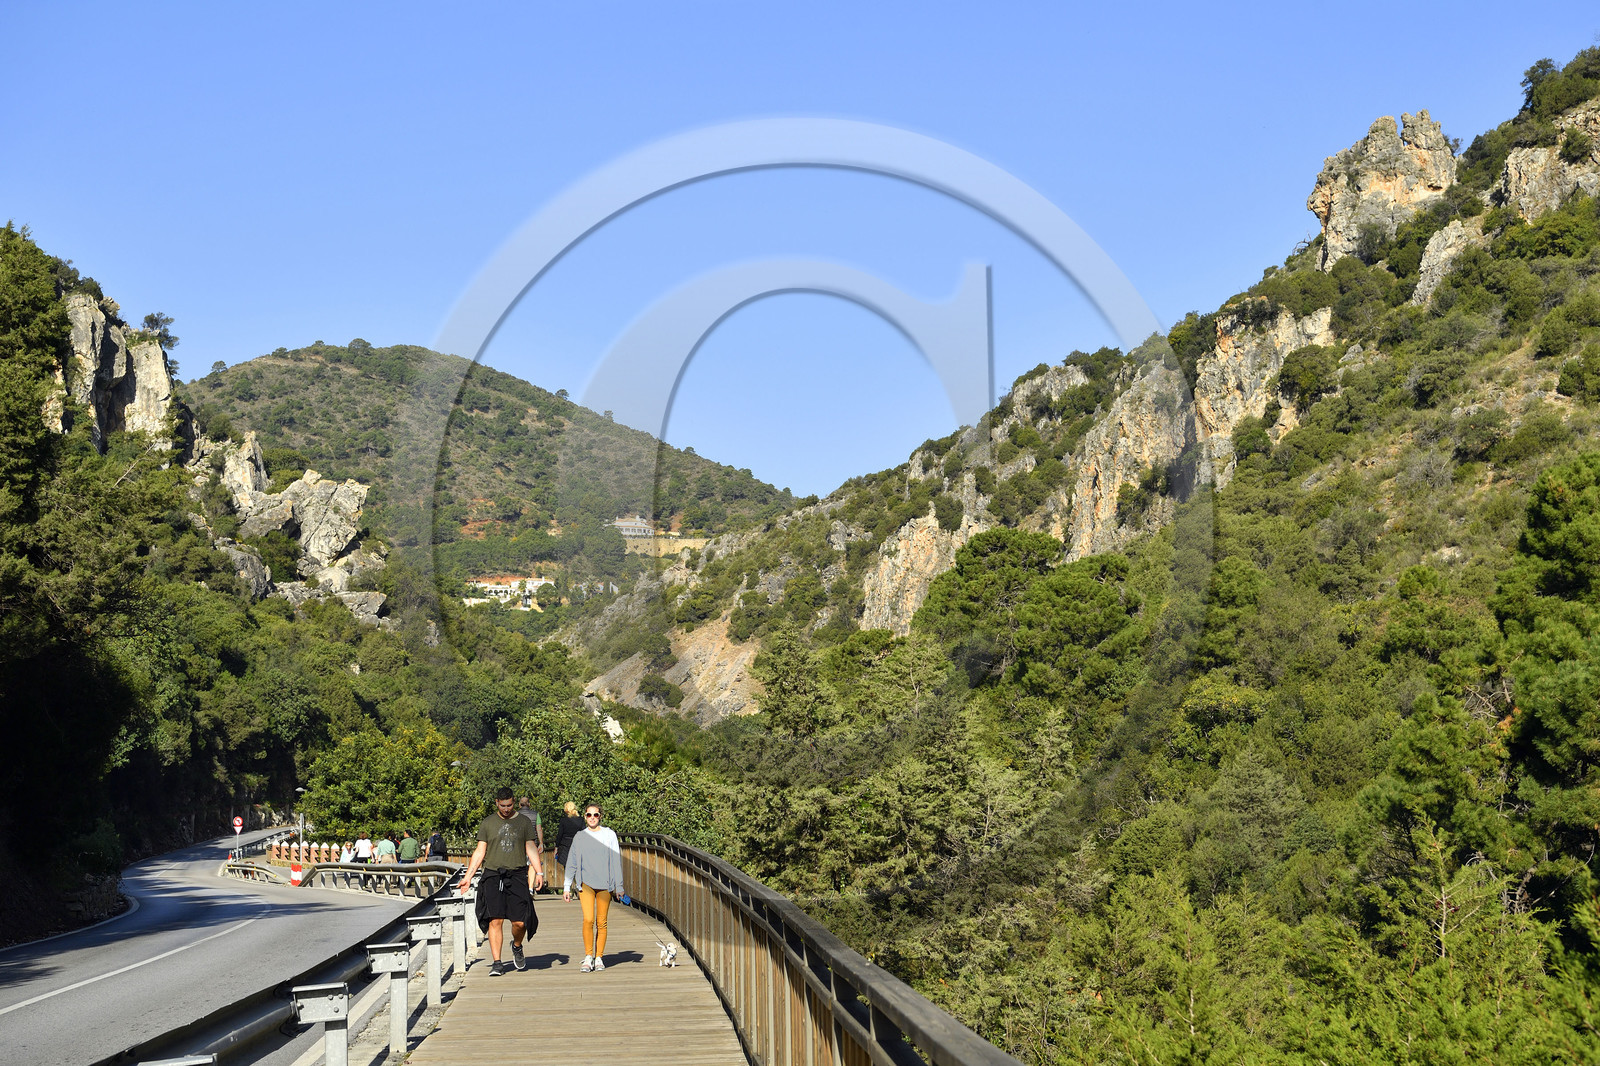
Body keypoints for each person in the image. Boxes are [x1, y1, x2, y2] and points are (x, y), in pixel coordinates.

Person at [460, 788, 546, 976]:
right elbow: (480, 851)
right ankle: (497, 962)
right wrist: (467, 877)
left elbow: (530, 847)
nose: (506, 809)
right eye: (503, 805)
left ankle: (516, 946)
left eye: (510, 805)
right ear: (496, 803)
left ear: (514, 802)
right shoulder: (488, 823)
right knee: (495, 919)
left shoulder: (523, 822)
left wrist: (539, 872)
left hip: (516, 874)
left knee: (520, 923)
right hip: (493, 875)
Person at [562, 802, 624, 972]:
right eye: (589, 815)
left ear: (600, 816)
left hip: (605, 885)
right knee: (588, 919)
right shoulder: (580, 837)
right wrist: (567, 886)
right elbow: (572, 863)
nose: (592, 818)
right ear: (585, 817)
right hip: (585, 884)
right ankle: (588, 956)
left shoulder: (609, 835)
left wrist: (619, 886)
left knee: (601, 922)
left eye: (595, 815)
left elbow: (616, 861)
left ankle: (599, 958)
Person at [554, 801, 583, 890]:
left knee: (567, 867)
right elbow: (584, 832)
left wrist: (556, 847)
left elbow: (560, 834)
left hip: (565, 845)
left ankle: (568, 889)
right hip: (578, 845)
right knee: (578, 866)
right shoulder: (581, 820)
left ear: (566, 809)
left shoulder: (563, 820)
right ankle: (578, 886)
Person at [516, 796, 547, 876]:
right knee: (532, 864)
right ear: (529, 804)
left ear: (519, 805)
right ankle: (530, 887)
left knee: (520, 864)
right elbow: (539, 829)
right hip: (533, 843)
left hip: (519, 843)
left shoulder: (515, 815)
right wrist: (541, 843)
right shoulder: (536, 815)